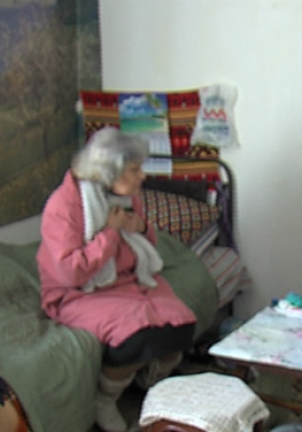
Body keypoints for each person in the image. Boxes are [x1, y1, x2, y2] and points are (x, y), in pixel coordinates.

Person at [36, 127, 197, 432]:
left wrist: (141, 228)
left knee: (181, 324)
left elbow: (146, 244)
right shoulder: (63, 206)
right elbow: (70, 273)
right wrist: (110, 234)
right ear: (108, 172)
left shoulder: (125, 195)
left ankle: (151, 383)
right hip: (81, 291)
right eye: (134, 170)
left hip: (128, 279)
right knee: (135, 337)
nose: (142, 176)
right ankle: (106, 400)